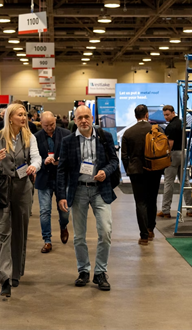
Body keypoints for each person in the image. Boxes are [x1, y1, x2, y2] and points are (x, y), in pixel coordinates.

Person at [56, 105, 119, 291]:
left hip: (100, 190)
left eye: (86, 117)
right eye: (80, 118)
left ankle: (100, 272)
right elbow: (62, 170)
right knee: (79, 236)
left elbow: (114, 161)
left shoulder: (104, 137)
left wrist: (105, 172)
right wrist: (61, 196)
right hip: (78, 191)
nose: (83, 120)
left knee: (105, 231)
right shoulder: (68, 141)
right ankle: (83, 270)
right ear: (74, 120)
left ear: (92, 118)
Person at [0, 103, 41, 297]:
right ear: (10, 117)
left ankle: (16, 272)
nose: (24, 118)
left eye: (25, 115)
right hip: (1, 189)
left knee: (19, 231)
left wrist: (34, 166)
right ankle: (5, 278)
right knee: (3, 233)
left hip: (23, 188)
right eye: (20, 115)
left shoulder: (30, 137)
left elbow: (37, 158)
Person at [121, 104, 163, 245]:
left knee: (140, 202)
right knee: (152, 200)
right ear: (147, 115)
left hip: (136, 172)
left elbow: (124, 156)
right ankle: (151, 229)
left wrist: (129, 169)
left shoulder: (128, 132)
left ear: (135, 116)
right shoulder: (157, 130)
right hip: (154, 170)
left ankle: (143, 235)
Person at [34, 111, 71, 253]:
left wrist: (62, 161)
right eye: (46, 125)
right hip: (44, 177)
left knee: (64, 210)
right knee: (44, 211)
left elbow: (72, 155)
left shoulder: (66, 134)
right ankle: (47, 240)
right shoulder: (35, 138)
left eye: (52, 124)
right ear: (41, 124)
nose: (50, 128)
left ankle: (63, 226)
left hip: (62, 178)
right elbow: (33, 158)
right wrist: (44, 162)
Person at [159, 105, 192, 218]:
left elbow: (170, 144)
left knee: (169, 182)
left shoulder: (171, 126)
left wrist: (165, 156)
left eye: (167, 114)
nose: (166, 117)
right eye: (164, 115)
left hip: (173, 154)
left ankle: (165, 211)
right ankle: (190, 209)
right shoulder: (181, 123)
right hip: (183, 153)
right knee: (185, 182)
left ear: (173, 113)